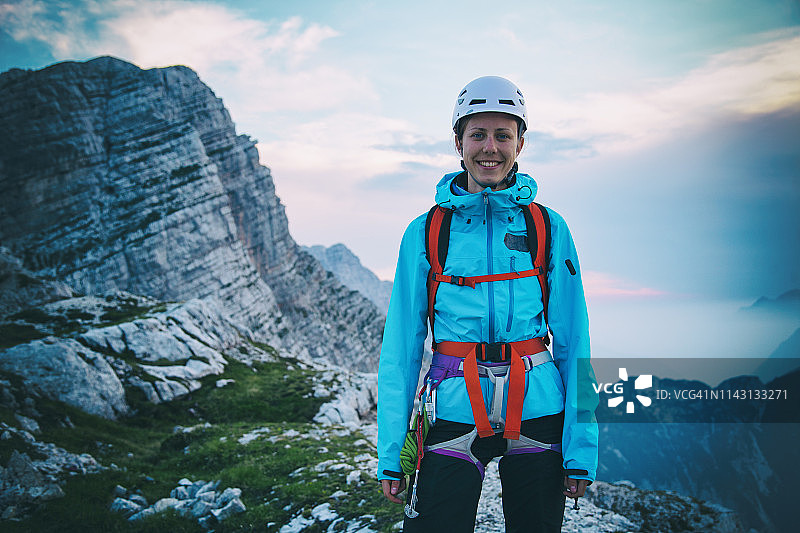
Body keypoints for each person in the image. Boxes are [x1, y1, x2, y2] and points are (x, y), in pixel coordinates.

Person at [376, 75, 598, 533]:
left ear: (521, 144)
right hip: (454, 405)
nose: (490, 148)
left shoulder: (548, 228)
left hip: (537, 406)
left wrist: (581, 450)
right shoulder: (427, 231)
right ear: (459, 142)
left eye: (503, 135)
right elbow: (399, 349)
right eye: (478, 134)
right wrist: (390, 454)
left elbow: (575, 342)